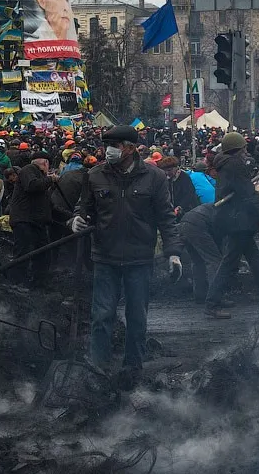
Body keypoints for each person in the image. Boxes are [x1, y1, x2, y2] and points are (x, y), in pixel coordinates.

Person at [73, 125, 182, 389]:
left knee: (137, 316)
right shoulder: (94, 175)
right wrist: (75, 219)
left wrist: (174, 252)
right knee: (101, 315)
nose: (108, 151)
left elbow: (166, 218)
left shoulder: (154, 177)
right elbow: (84, 208)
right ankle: (98, 370)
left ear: (131, 148)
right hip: (105, 256)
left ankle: (132, 371)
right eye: (107, 145)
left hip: (139, 258)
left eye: (115, 145)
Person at [206, 132, 259, 319]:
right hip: (238, 222)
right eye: (244, 148)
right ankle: (212, 304)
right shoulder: (234, 165)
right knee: (231, 263)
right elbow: (249, 194)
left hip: (236, 220)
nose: (246, 151)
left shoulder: (225, 164)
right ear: (238, 149)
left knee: (255, 262)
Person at [7, 152, 56, 289]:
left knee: (42, 252)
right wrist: (50, 180)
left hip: (35, 221)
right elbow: (31, 186)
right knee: (23, 251)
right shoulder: (29, 169)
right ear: (45, 163)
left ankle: (37, 281)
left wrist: (71, 217)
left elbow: (50, 206)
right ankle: (16, 283)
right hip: (24, 220)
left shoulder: (39, 177)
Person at [178, 203, 222, 304]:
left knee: (197, 261)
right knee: (214, 261)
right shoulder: (228, 212)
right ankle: (215, 298)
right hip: (197, 225)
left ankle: (200, 295)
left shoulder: (217, 205)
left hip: (184, 223)